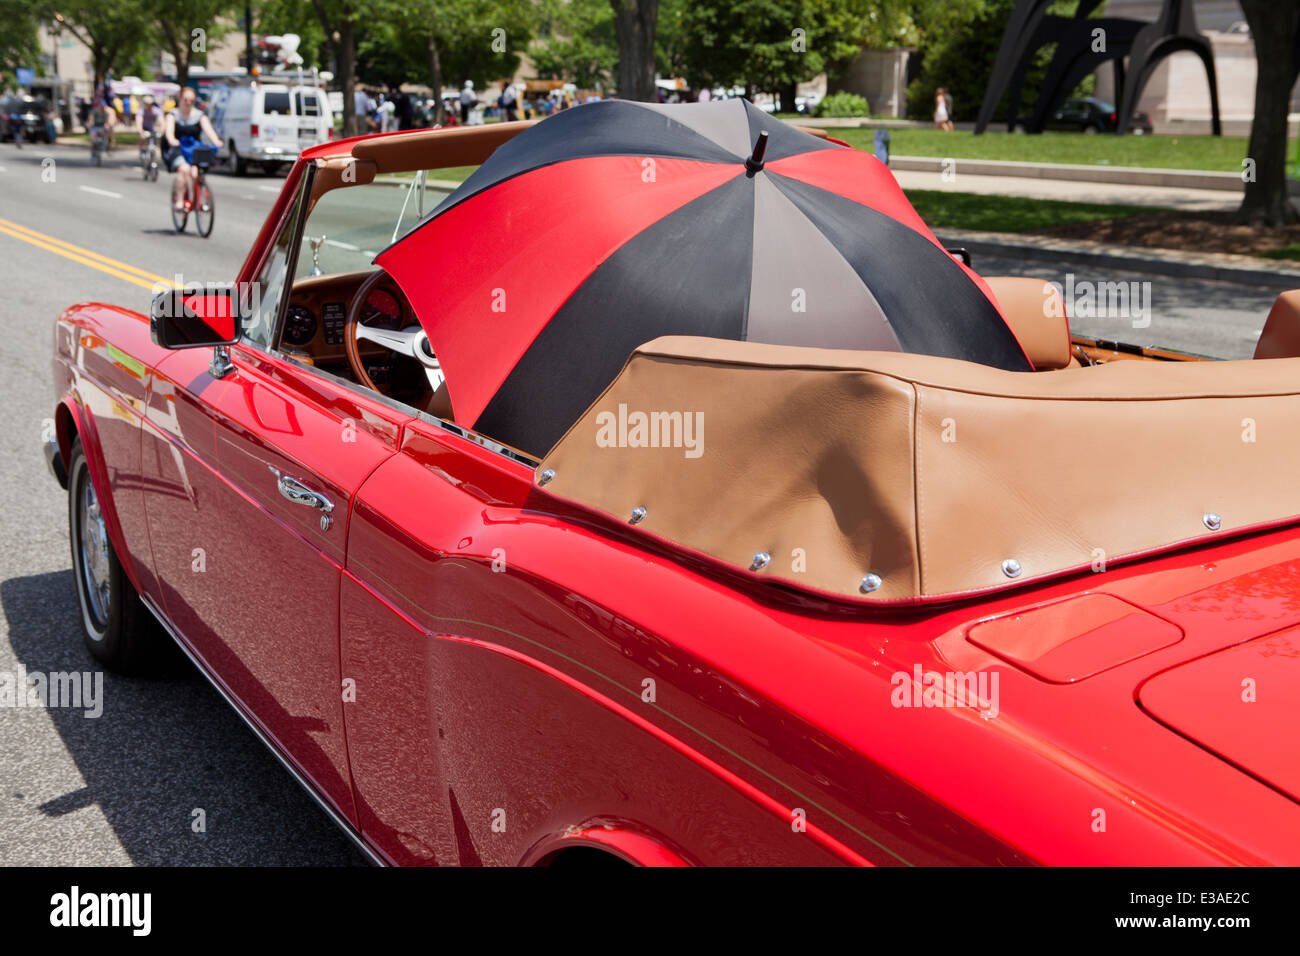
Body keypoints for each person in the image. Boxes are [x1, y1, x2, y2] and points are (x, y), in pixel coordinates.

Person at [163, 87, 221, 212]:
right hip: (178, 148)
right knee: (184, 170)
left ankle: (196, 201)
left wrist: (216, 141)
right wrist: (172, 140)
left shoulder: (199, 115)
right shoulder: (173, 115)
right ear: (180, 99)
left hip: (193, 150)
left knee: (195, 174)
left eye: (191, 100)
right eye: (185, 99)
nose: (188, 102)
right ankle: (179, 201)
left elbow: (209, 130)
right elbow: (169, 131)